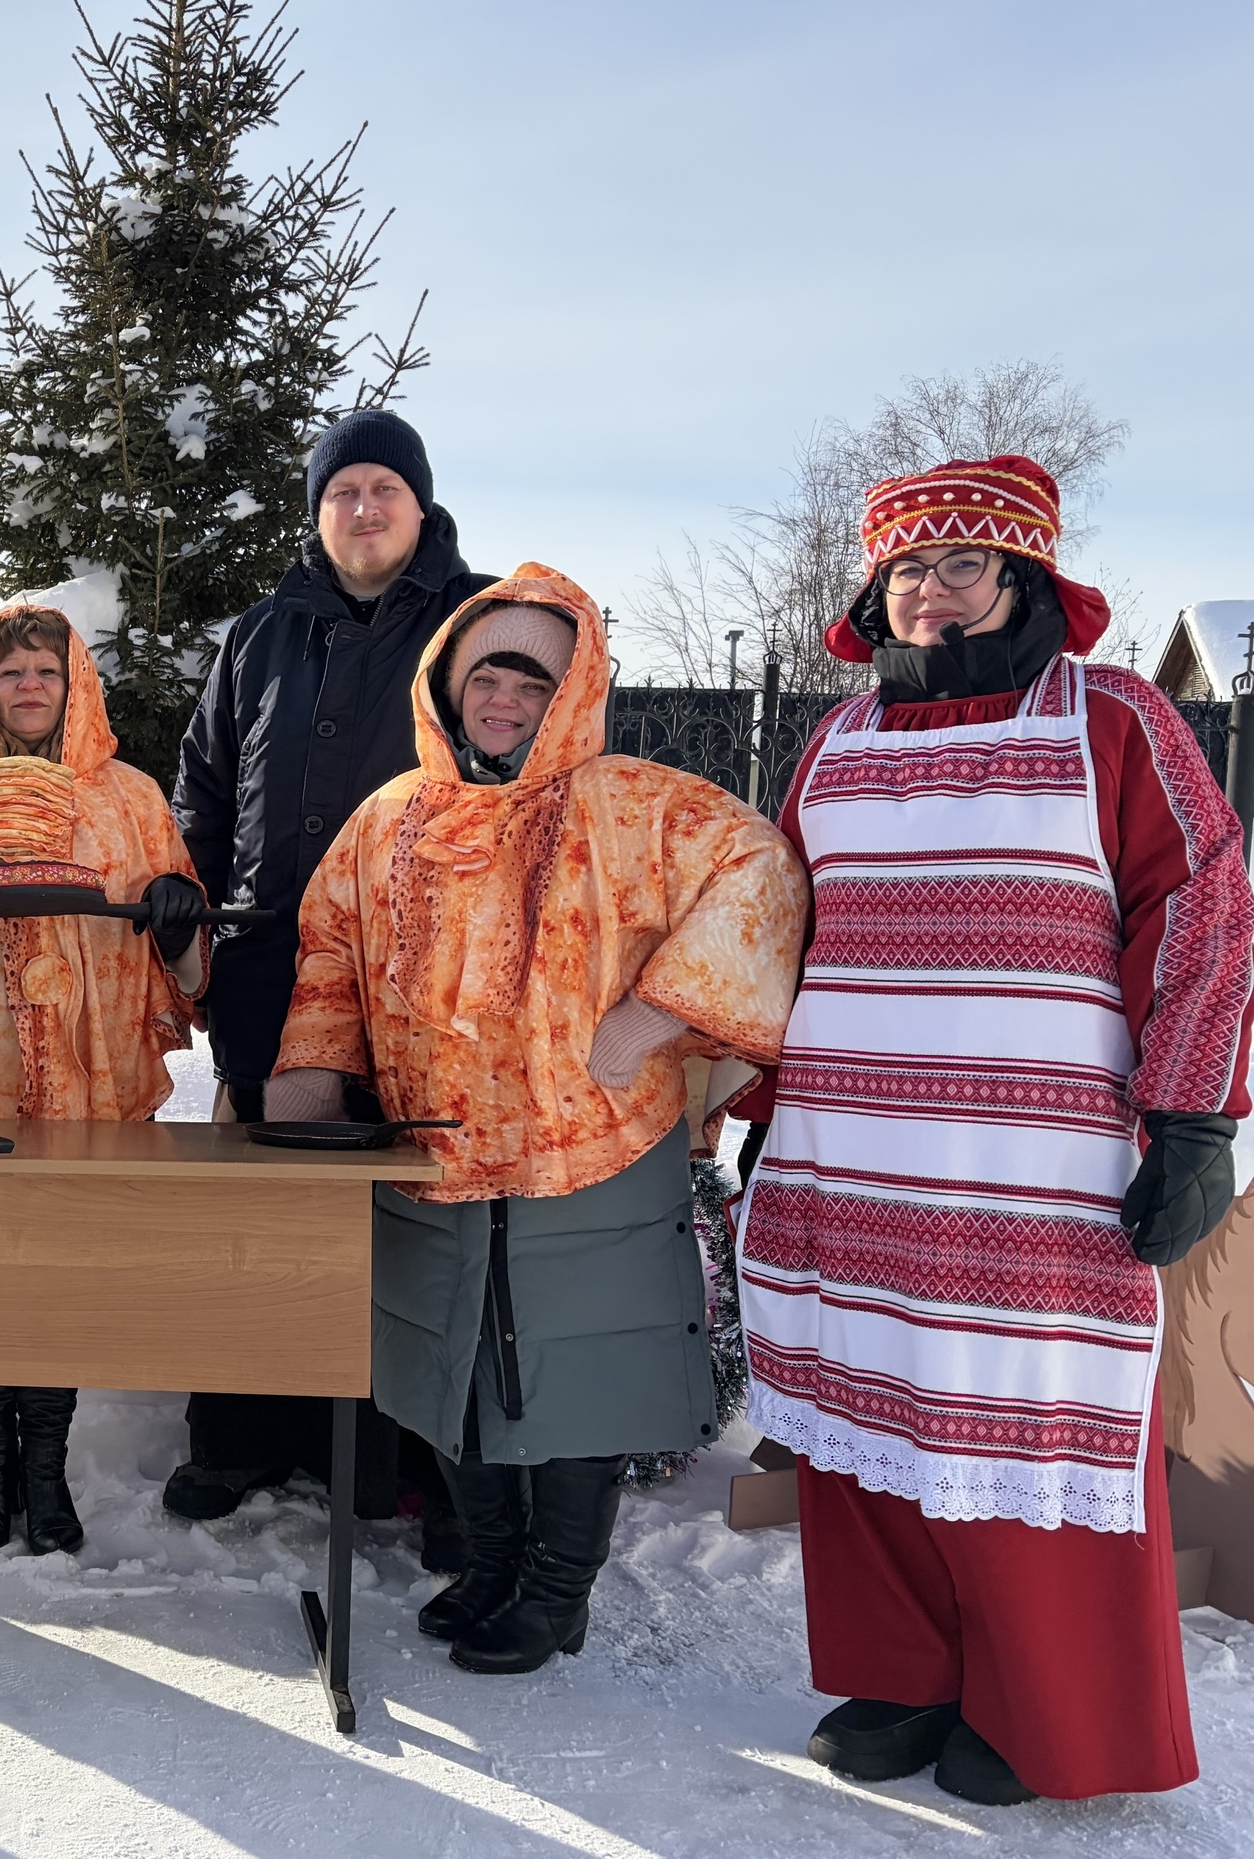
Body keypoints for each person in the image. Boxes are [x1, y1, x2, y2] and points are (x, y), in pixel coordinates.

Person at [738, 457, 1253, 1805]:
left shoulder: (1114, 716)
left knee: (1028, 1418)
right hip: (851, 1155)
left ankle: (1047, 1709)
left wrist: (1192, 1114)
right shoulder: (837, 741)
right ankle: (903, 1670)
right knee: (866, 1400)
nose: (933, 589)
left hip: (1035, 1168)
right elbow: (779, 936)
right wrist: (765, 1110)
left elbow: (1202, 908)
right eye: (909, 567)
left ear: (1024, 579)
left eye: (964, 563)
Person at [272, 563, 806, 1674]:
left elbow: (762, 871)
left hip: (593, 1142)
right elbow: (328, 946)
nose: (505, 701)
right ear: (448, 685)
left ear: (569, 696)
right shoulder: (386, 818)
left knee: (576, 1369)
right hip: (435, 1142)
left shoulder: (636, 803)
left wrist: (657, 1014)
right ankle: (490, 1565)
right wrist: (315, 1074)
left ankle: (558, 1593)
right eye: (487, 679)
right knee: (449, 1363)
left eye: (532, 684)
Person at [167, 407, 497, 1536]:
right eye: (342, 491)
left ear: (420, 504)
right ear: (318, 513)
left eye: (383, 490)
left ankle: (430, 1468)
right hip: (269, 970)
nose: (363, 508)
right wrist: (196, 918)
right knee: (266, 1211)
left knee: (422, 1215)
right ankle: (242, 1438)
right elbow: (205, 789)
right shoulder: (261, 636)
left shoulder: (479, 619)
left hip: (431, 980)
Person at [0, 604, 208, 1556]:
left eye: (46, 671)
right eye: (9, 671)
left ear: (74, 686)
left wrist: (179, 925)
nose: (28, 686)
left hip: (87, 1068)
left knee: (58, 1261)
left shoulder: (130, 799)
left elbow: (183, 947)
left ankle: (48, 1470)